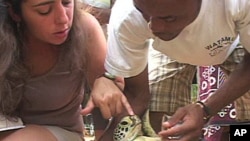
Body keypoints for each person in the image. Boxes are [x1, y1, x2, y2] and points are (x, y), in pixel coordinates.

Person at [82, 0, 250, 140]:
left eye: (168, 18)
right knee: (160, 112)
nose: (154, 27)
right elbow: (136, 94)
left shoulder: (238, 3)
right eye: (145, 13)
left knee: (244, 123)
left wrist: (204, 109)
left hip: (235, 42)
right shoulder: (128, 16)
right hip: (168, 49)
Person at [0, 0, 131, 140]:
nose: (63, 18)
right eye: (44, 10)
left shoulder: (85, 28)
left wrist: (105, 81)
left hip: (61, 131)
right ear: (15, 13)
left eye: (67, 3)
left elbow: (113, 81)